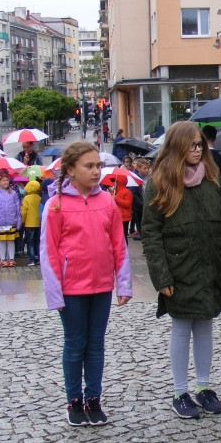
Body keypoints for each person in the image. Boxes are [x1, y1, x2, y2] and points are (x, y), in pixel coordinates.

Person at [142, 122, 221, 419]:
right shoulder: (159, 182)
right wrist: (161, 277)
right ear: (177, 146)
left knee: (205, 324)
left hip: (209, 264)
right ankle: (179, 390)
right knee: (182, 326)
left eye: (200, 144)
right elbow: (151, 233)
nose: (198, 150)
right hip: (178, 266)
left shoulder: (213, 178)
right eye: (192, 145)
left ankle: (204, 386)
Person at [41, 140, 132, 426]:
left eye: (98, 166)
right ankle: (74, 400)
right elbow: (49, 252)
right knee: (75, 343)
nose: (96, 171)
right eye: (89, 166)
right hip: (72, 289)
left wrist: (124, 284)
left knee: (95, 344)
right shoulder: (55, 205)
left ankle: (94, 398)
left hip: (101, 286)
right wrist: (55, 294)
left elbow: (119, 243)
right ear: (70, 169)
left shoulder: (106, 201)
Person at [0, 173, 21, 267]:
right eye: (3, 180)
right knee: (1, 241)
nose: (6, 182)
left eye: (7, 180)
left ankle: (11, 258)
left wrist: (18, 220)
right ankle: (2, 258)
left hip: (11, 221)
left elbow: (17, 207)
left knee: (10, 240)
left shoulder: (12, 193)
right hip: (0, 222)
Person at [20, 180, 42, 266]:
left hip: (29, 223)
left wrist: (22, 220)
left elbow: (24, 211)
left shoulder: (26, 198)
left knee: (30, 242)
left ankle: (31, 259)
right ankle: (38, 257)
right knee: (37, 241)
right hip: (38, 223)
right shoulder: (39, 197)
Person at [128, 156, 150, 239]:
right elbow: (133, 192)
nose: (146, 170)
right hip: (138, 205)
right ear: (139, 168)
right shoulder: (135, 178)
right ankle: (140, 233)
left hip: (147, 203)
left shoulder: (149, 178)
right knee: (138, 219)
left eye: (147, 168)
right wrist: (140, 203)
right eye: (144, 168)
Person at [112, 174, 133, 242]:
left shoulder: (127, 192)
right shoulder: (115, 192)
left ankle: (125, 250)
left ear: (118, 181)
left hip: (124, 218)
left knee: (123, 235)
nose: (113, 183)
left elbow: (127, 204)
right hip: (116, 216)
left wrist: (116, 198)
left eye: (114, 181)